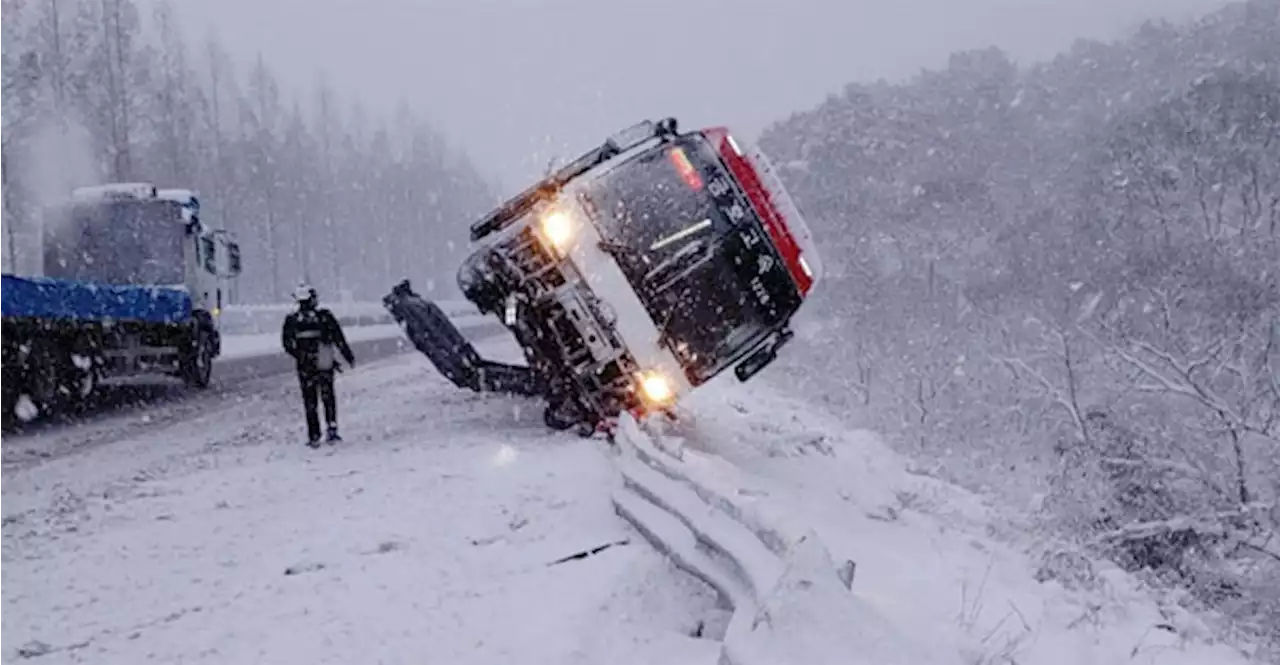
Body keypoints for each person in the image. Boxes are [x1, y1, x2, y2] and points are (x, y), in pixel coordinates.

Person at [281, 284, 355, 447]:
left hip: (304, 365)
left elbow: (286, 343)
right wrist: (348, 355)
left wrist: (301, 355)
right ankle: (331, 428)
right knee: (328, 395)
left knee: (310, 399)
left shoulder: (292, 319)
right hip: (324, 361)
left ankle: (314, 434)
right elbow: (338, 337)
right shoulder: (324, 316)